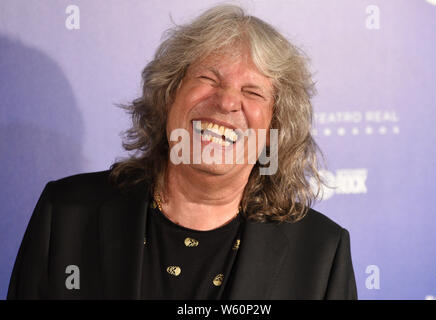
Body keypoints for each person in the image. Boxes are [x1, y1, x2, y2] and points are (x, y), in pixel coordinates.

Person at [7, 4, 357, 299]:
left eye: (253, 92)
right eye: (209, 79)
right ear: (169, 95)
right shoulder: (66, 214)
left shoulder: (321, 253)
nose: (226, 102)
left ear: (273, 131)